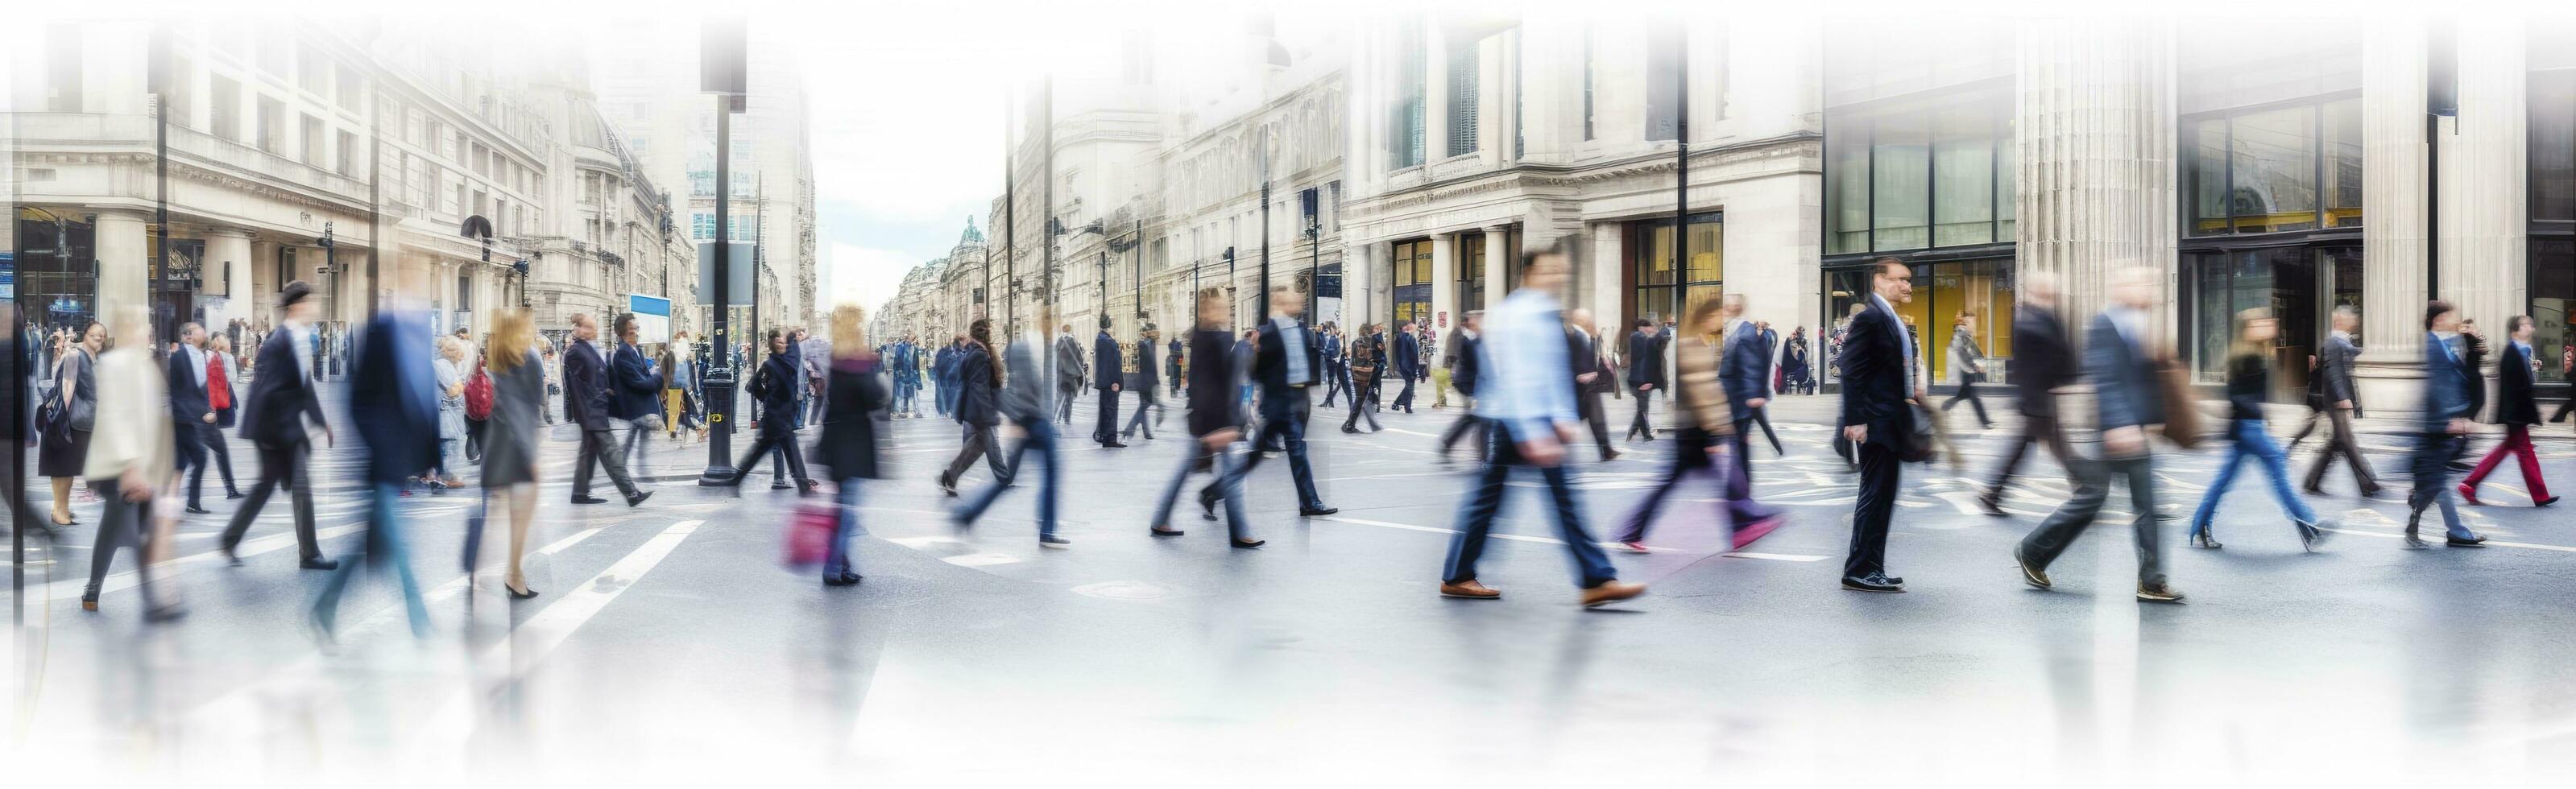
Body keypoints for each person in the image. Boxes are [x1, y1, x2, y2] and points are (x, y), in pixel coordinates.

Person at [1438, 246, 1643, 607]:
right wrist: (1535, 431)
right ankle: (1595, 579)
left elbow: (1551, 371)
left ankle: (1459, 573)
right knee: (1542, 501)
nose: (1557, 277)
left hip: (1530, 419)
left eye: (1561, 272)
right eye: (1549, 271)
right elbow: (1515, 375)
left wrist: (1563, 417)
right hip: (1515, 418)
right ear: (1529, 273)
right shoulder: (1516, 314)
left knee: (1498, 499)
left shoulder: (1544, 313)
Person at [2014, 267, 2185, 602]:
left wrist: (2153, 420)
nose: (2149, 289)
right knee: (2102, 499)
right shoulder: (2106, 324)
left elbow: (2140, 380)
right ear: (2121, 288)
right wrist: (2120, 424)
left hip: (2133, 431)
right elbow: (2104, 377)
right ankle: (2033, 551)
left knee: (2124, 501)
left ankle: (2150, 581)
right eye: (2141, 283)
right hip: (2116, 432)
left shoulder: (2137, 323)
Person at [1615, 298, 1782, 553]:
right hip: (1695, 431)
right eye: (1717, 316)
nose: (1721, 320)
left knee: (1697, 483)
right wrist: (1718, 429)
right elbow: (1701, 392)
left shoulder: (1701, 343)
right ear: (1706, 318)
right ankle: (1741, 526)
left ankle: (1739, 526)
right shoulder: (1692, 344)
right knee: (1704, 483)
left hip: (1695, 429)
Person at [312, 307, 437, 640]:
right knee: (396, 546)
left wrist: (428, 457)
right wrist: (381, 448)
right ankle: (419, 618)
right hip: (383, 463)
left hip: (401, 463)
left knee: (370, 545)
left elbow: (422, 406)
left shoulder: (418, 342)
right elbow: (360, 402)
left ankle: (325, 605)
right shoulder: (383, 335)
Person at [2187, 308, 2330, 551]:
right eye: (2262, 321)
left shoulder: (2253, 352)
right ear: (2250, 328)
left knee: (2224, 481)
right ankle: (2309, 525)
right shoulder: (2246, 355)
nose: (2271, 323)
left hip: (2246, 427)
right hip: (2249, 427)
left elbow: (2246, 395)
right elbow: (2236, 395)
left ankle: (2200, 525)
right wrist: (2258, 417)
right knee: (2278, 470)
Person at [220, 283, 336, 570]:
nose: (314, 308)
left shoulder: (296, 338)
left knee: (269, 486)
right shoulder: (279, 341)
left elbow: (304, 385)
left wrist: (321, 422)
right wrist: (277, 433)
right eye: (310, 303)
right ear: (296, 306)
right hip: (275, 429)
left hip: (282, 428)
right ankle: (309, 554)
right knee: (298, 487)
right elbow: (266, 389)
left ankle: (231, 539)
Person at [1198, 286, 1338, 524]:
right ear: (1281, 303)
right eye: (1294, 299)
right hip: (1276, 404)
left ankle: (1309, 503)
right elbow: (1256, 371)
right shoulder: (1268, 333)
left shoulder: (1302, 330)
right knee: (1259, 457)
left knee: (1295, 452)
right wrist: (1268, 391)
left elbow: (1306, 363)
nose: (1300, 303)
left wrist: (1305, 391)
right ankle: (1212, 492)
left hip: (1295, 402)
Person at [79, 306, 183, 621]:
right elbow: (115, 417)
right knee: (137, 531)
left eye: (147, 326)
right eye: (140, 326)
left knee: (113, 532)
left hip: (141, 466)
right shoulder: (113, 365)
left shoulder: (143, 364)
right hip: (121, 467)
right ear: (125, 330)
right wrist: (131, 466)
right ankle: (153, 602)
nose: (146, 331)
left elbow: (153, 419)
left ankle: (92, 590)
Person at [1148, 289, 1259, 544]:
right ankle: (1240, 533)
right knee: (1231, 477)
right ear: (1206, 310)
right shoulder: (1216, 339)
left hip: (1207, 420)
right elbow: (1214, 386)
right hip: (1215, 423)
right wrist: (1226, 426)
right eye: (1218, 306)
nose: (1224, 310)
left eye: (1226, 305)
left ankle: (1162, 519)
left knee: (1198, 473)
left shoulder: (1203, 338)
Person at [951, 322, 1072, 548]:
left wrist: (1013, 417)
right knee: (1051, 477)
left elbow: (1000, 393)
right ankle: (1047, 530)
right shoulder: (1015, 352)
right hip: (1036, 424)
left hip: (1022, 424)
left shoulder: (1006, 355)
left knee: (1005, 480)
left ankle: (968, 514)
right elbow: (1032, 391)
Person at [1838, 259, 1917, 593]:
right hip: (1875, 422)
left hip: (1888, 420)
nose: (1907, 286)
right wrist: (1856, 419)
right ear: (1879, 281)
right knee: (1875, 496)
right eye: (1900, 279)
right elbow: (1851, 369)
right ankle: (1860, 570)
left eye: (1909, 281)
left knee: (1881, 496)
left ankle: (1870, 566)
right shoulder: (1870, 317)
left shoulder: (1888, 317)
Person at [1980, 272, 2077, 515]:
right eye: (2052, 287)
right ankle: (2087, 491)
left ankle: (1993, 492)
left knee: (2027, 448)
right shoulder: (2032, 320)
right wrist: (2066, 377)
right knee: (2056, 449)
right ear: (2041, 290)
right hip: (2036, 399)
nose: (2057, 290)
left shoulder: (2042, 317)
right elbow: (2054, 354)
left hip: (2038, 398)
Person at [815, 305, 893, 584]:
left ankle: (841, 564)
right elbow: (874, 398)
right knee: (848, 509)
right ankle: (833, 565)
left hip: (835, 441)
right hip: (851, 444)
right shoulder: (855, 360)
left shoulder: (837, 357)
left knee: (843, 506)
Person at [2401, 301, 2489, 548]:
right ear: (2439, 319)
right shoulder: (2432, 344)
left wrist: (2473, 341)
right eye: (2450, 315)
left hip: (2441, 422)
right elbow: (2437, 386)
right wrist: (2448, 420)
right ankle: (2454, 531)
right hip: (2435, 425)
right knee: (2436, 481)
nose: (2454, 319)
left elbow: (2465, 375)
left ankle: (2446, 528)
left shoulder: (2447, 342)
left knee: (2436, 481)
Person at [474, 309, 548, 599]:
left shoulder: (500, 353)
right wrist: (531, 454)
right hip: (517, 443)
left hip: (498, 441)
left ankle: (489, 572)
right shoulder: (527, 355)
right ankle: (514, 574)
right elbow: (524, 408)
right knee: (520, 516)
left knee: (498, 515)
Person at [2461, 316, 2557, 507]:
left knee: (2505, 451)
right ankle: (2540, 496)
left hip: (2517, 414)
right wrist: (2523, 416)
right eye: (2526, 324)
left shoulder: (2521, 351)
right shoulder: (2511, 353)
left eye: (2531, 324)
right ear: (2516, 330)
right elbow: (2511, 390)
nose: (2531, 327)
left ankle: (2469, 484)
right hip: (2515, 414)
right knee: (2526, 453)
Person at [713, 328, 820, 495]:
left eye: (784, 341)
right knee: (791, 451)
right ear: (773, 344)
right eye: (779, 342)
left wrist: (768, 399)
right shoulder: (784, 362)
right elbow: (755, 385)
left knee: (762, 451)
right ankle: (803, 486)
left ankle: (737, 479)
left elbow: (754, 386)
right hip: (780, 416)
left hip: (777, 415)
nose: (783, 344)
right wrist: (793, 335)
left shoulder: (773, 364)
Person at [562, 313, 651, 506]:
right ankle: (631, 493)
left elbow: (599, 377)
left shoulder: (589, 349)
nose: (594, 331)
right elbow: (578, 389)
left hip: (596, 410)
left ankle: (579, 493)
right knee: (612, 453)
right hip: (591, 412)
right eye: (588, 327)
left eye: (595, 327)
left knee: (588, 453)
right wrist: (592, 408)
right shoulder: (575, 352)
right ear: (578, 330)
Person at [2294, 307, 2383, 497]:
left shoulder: (2340, 341)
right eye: (2351, 319)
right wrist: (2343, 397)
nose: (2355, 321)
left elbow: (2350, 353)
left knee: (2337, 443)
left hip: (2337, 400)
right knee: (2347, 442)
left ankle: (2312, 481)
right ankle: (2368, 483)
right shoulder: (2334, 342)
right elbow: (2334, 373)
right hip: (2336, 401)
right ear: (2340, 320)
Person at [1717, 295, 1787, 522]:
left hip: (1739, 402)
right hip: (1737, 401)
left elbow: (1750, 365)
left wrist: (1754, 395)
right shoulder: (1738, 330)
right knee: (1738, 453)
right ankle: (1740, 499)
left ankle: (1740, 500)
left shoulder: (1744, 331)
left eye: (1727, 306)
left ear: (1733, 309)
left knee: (1739, 453)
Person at [936, 320, 1009, 496]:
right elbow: (979, 385)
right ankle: (1003, 477)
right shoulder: (979, 355)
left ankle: (952, 474)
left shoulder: (973, 352)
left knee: (976, 447)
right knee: (985, 445)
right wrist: (986, 413)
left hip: (975, 408)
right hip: (980, 408)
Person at [40, 320, 101, 527]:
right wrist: (61, 421)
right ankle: (58, 510)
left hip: (78, 421)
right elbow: (66, 388)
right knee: (63, 468)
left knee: (69, 467)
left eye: (102, 335)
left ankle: (62, 508)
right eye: (94, 335)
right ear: (85, 336)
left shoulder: (91, 358)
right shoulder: (76, 356)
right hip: (68, 421)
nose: (99, 338)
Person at [168, 322, 222, 514]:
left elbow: (201, 390)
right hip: (183, 419)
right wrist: (187, 414)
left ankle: (170, 505)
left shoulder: (203, 357)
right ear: (189, 335)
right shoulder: (179, 357)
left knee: (180, 462)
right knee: (200, 457)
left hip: (193, 418)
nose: (204, 333)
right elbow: (174, 390)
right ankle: (191, 501)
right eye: (200, 330)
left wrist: (208, 410)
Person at [609, 314, 665, 473]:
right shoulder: (623, 354)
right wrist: (658, 376)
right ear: (622, 333)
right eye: (632, 330)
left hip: (642, 407)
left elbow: (644, 377)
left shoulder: (635, 350)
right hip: (637, 408)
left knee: (634, 444)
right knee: (633, 443)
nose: (636, 333)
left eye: (637, 329)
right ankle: (626, 473)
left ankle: (631, 472)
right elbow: (642, 383)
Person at [1565, 308, 1619, 461]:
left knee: (1597, 418)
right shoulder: (1573, 335)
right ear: (1579, 319)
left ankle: (1606, 450)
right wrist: (1578, 374)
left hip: (1589, 384)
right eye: (1586, 318)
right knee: (1585, 417)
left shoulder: (1586, 335)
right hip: (1581, 384)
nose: (1590, 320)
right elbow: (1570, 358)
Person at [1438, 312, 1485, 461]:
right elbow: (1473, 362)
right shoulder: (1467, 337)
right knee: (1473, 417)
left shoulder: (1472, 337)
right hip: (1467, 383)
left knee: (1475, 417)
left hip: (1470, 383)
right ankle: (1479, 449)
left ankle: (1480, 449)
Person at [204, 333, 245, 502]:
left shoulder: (211, 358)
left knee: (195, 458)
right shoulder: (215, 359)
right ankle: (231, 489)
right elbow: (216, 385)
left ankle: (231, 489)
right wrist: (212, 410)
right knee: (195, 458)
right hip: (205, 413)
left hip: (205, 412)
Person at [1941, 312, 1994, 429]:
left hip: (1965, 370)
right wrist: (1975, 366)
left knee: (1964, 396)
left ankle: (1944, 407)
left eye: (1974, 322)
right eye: (1971, 322)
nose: (1974, 325)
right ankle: (1985, 422)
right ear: (1965, 323)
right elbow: (1963, 353)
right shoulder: (1962, 335)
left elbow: (1969, 352)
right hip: (1964, 370)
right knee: (1973, 397)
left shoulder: (1964, 334)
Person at [432, 337, 470, 489]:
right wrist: (460, 386)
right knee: (449, 444)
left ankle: (446, 475)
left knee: (450, 443)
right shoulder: (443, 365)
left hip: (451, 411)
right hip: (448, 412)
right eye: (460, 355)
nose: (462, 359)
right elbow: (453, 389)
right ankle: (446, 476)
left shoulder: (448, 365)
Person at [1623, 318, 1665, 442]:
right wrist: (1657, 333)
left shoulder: (1637, 338)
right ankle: (1645, 435)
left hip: (1640, 379)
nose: (1650, 329)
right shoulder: (1638, 338)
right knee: (1642, 408)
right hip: (1640, 380)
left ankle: (1634, 433)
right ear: (1641, 328)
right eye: (1648, 327)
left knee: (1642, 408)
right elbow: (1652, 345)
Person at [1120, 323, 1163, 441]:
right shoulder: (1144, 345)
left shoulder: (1149, 345)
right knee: (1144, 406)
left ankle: (1146, 432)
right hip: (1147, 381)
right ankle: (1129, 429)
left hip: (1145, 381)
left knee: (1143, 406)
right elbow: (1151, 365)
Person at [1091, 317, 1126, 448]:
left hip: (1104, 381)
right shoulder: (1109, 342)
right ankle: (1110, 438)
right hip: (1111, 382)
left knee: (1106, 410)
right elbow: (1113, 364)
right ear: (1109, 326)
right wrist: (1116, 381)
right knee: (1111, 410)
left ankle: (1104, 436)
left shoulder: (1100, 339)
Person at [1343, 324, 1385, 433]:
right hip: (1367, 373)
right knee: (1360, 400)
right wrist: (1377, 367)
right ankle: (1349, 425)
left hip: (1357, 373)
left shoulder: (1355, 342)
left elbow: (1353, 360)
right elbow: (1376, 358)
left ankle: (1350, 424)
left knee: (1360, 399)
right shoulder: (1371, 342)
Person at [663, 333, 697, 439]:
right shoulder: (673, 356)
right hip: (674, 387)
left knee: (685, 409)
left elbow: (687, 373)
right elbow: (674, 373)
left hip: (684, 387)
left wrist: (689, 384)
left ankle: (685, 427)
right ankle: (672, 430)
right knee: (674, 410)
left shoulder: (684, 358)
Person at [1053, 323, 1086, 426]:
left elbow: (1055, 359)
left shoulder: (1059, 342)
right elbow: (1080, 359)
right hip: (1071, 375)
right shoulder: (1073, 342)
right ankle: (1067, 419)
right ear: (1070, 330)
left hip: (1061, 375)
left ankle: (1056, 417)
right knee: (1069, 398)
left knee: (1060, 397)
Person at [1389, 318, 1422, 413]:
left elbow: (1398, 353)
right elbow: (1414, 354)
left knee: (1409, 385)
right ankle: (1404, 405)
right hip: (1409, 365)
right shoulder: (1410, 338)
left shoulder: (1399, 338)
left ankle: (1403, 404)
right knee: (1410, 386)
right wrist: (1417, 367)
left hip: (1403, 364)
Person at [935, 333, 964, 419]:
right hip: (946, 377)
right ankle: (948, 411)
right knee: (947, 395)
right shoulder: (947, 352)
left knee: (949, 395)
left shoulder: (958, 353)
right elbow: (940, 365)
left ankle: (950, 411)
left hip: (951, 378)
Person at [1783, 327, 1813, 395]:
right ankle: (1802, 383)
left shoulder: (1798, 342)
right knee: (1801, 369)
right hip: (1792, 363)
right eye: (1793, 334)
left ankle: (1802, 384)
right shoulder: (1790, 342)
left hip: (1798, 362)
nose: (1794, 336)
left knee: (1803, 369)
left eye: (1795, 334)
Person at [1168, 332, 1188, 400]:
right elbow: (1180, 353)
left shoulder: (1171, 344)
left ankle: (1176, 387)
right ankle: (1177, 387)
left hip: (1174, 361)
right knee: (1177, 375)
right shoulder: (1178, 344)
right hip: (1178, 360)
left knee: (1174, 375)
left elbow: (1172, 352)